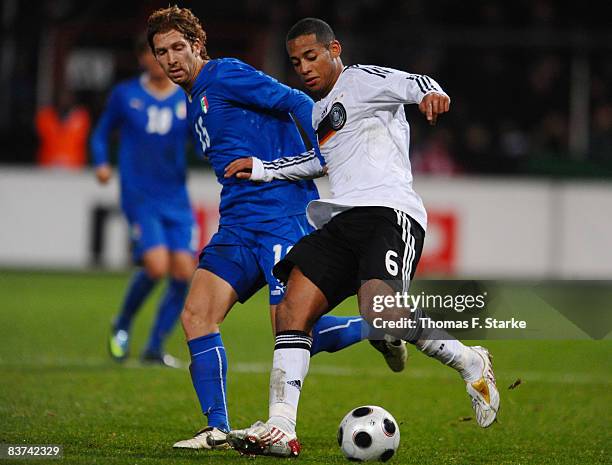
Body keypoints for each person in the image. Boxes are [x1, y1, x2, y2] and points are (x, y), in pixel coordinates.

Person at [225, 18, 500, 457]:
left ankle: (470, 360)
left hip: (391, 214)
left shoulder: (362, 79)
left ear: (334, 49)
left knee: (383, 312)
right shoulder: (318, 112)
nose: (305, 69)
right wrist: (263, 169)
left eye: (312, 57)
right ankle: (280, 427)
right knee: (291, 308)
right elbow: (321, 162)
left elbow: (413, 82)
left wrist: (432, 92)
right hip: (343, 220)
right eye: (297, 63)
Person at [146, 6, 407, 450]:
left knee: (292, 328)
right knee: (196, 316)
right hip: (237, 223)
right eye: (161, 51)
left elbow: (295, 101)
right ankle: (216, 429)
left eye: (178, 47)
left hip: (282, 216)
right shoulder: (194, 99)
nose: (170, 59)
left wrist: (328, 149)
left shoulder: (224, 74)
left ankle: (377, 327)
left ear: (197, 46)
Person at [91, 36, 196, 368]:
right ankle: (122, 321)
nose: (160, 60)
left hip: (176, 196)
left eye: (165, 54)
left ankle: (154, 347)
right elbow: (100, 132)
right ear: (143, 59)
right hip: (140, 195)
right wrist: (102, 162)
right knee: (156, 265)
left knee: (183, 273)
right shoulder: (126, 95)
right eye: (154, 54)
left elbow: (201, 136)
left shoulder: (185, 95)